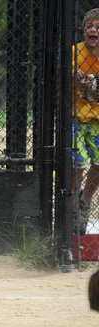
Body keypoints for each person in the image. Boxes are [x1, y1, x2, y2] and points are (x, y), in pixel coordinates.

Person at [73, 8, 99, 235]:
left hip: (98, 120)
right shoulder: (75, 53)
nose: (93, 30)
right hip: (77, 117)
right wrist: (72, 71)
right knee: (78, 165)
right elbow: (60, 72)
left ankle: (84, 201)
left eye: (98, 28)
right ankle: (71, 208)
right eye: (89, 26)